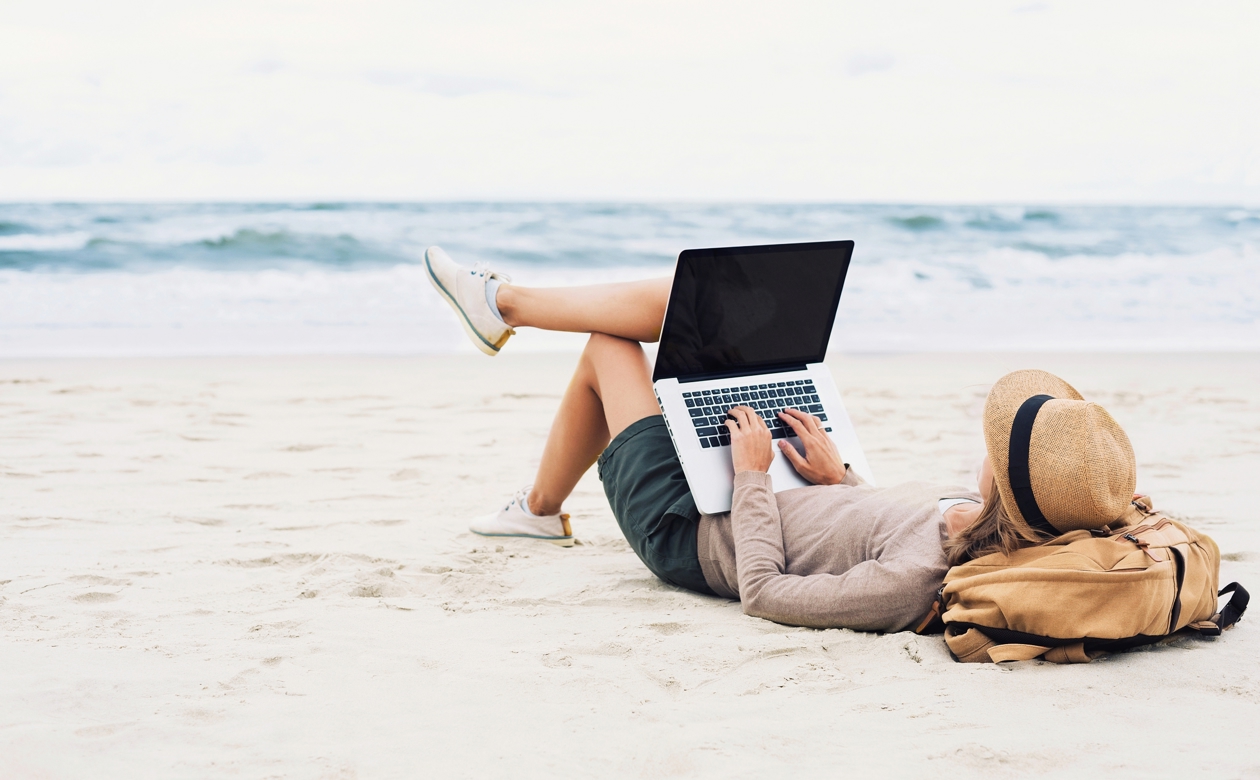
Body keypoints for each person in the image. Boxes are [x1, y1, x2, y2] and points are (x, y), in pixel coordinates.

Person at [423, 246, 1139, 633]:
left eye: (1001, 444)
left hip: (691, 531)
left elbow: (764, 593)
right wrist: (838, 478)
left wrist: (752, 476)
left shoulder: (913, 581)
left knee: (610, 346)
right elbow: (863, 525)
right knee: (690, 302)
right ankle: (536, 495)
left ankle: (506, 319)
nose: (988, 442)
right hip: (767, 489)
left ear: (1008, 486)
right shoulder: (966, 512)